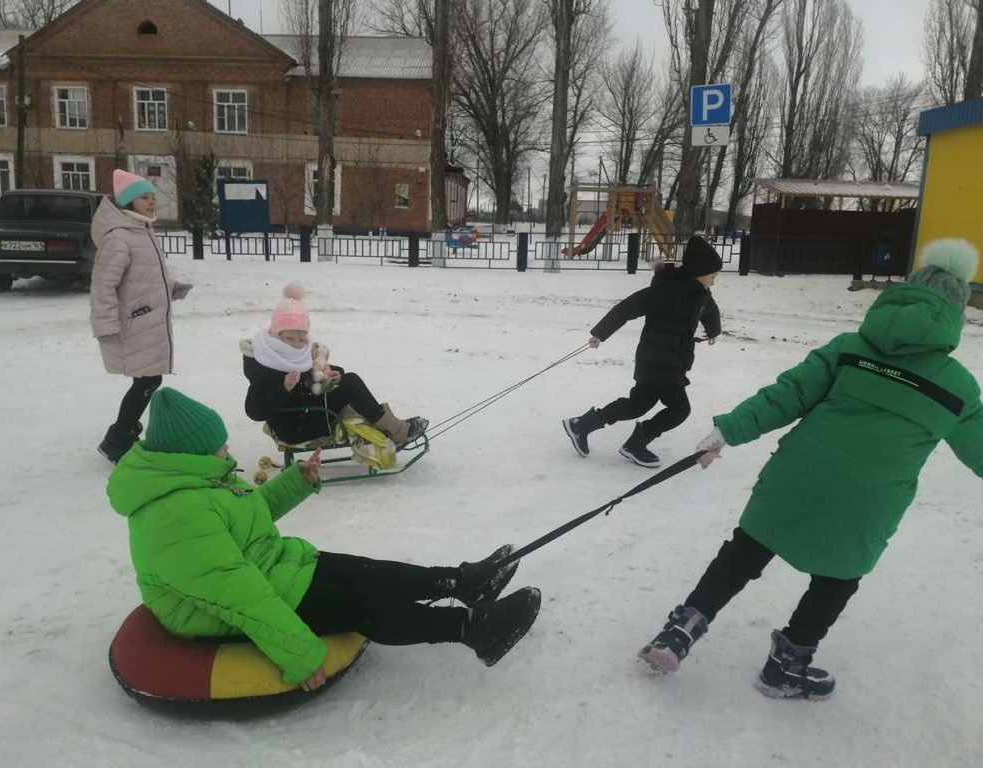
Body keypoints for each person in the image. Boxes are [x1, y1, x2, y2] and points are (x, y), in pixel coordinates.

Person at [638, 239, 983, 700]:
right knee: (835, 580)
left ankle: (680, 631)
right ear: (955, 315)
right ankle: (786, 665)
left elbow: (787, 395)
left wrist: (726, 433)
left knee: (743, 553)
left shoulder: (847, 349)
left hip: (796, 476)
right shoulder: (957, 386)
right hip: (865, 502)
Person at [106, 388, 541, 688]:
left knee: (366, 571)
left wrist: (294, 482)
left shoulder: (192, 482)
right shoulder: (173, 516)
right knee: (363, 605)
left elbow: (246, 520)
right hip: (219, 611)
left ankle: (462, 583)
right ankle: (473, 630)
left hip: (269, 569)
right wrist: (299, 655)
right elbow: (236, 595)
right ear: (190, 453)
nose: (227, 452)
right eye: (217, 446)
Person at [562, 236, 722, 467]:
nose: (713, 282)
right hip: (656, 360)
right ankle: (636, 443)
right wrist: (600, 333)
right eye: (712, 276)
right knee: (679, 409)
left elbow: (710, 311)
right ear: (698, 272)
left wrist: (713, 331)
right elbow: (627, 308)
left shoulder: (701, 295)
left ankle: (582, 425)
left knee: (637, 405)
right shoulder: (666, 291)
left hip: (672, 362)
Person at [242, 283, 428, 447]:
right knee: (350, 387)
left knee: (349, 379)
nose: (296, 344)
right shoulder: (265, 363)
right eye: (290, 338)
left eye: (301, 338)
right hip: (296, 426)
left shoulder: (297, 354)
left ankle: (391, 427)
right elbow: (254, 411)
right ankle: (395, 430)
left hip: (310, 409)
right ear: (276, 335)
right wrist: (283, 388)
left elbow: (309, 379)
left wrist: (331, 373)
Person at [90, 169, 192, 463]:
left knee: (147, 379)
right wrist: (106, 325)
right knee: (147, 380)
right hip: (133, 323)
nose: (151, 202)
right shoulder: (119, 237)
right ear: (128, 202)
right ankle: (118, 437)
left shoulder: (143, 231)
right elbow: (103, 285)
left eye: (152, 197)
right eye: (144, 197)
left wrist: (171, 288)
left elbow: (143, 277)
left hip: (146, 320)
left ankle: (124, 431)